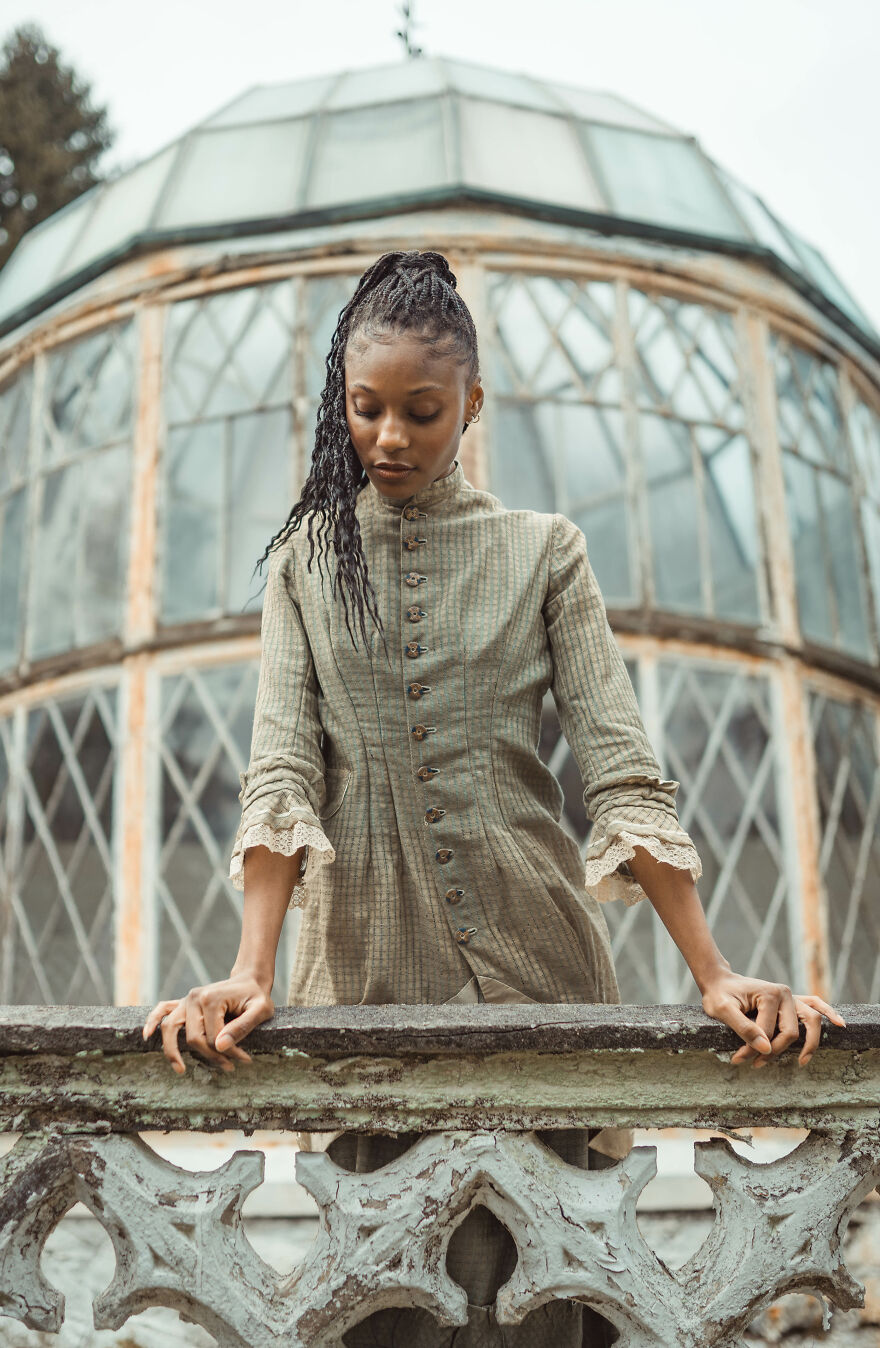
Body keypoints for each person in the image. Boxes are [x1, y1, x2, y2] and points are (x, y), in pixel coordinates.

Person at [143, 248, 845, 1346]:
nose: (388, 437)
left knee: (543, 1311)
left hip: (546, 984)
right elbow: (281, 772)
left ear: (473, 401)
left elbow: (620, 771)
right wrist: (247, 971)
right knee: (385, 1310)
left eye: (422, 412)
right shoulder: (304, 567)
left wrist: (715, 971)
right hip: (366, 1000)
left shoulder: (544, 553)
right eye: (365, 409)